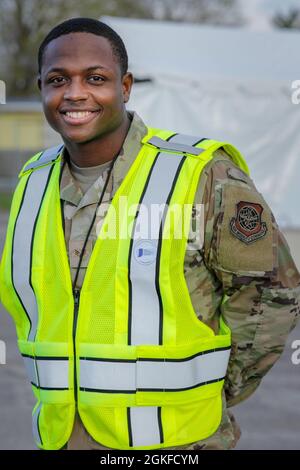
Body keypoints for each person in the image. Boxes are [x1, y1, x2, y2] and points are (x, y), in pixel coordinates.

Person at [0, 17, 299, 451]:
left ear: (125, 87)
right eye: (58, 79)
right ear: (42, 86)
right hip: (62, 436)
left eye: (95, 78)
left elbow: (274, 294)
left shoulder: (200, 174)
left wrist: (215, 389)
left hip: (175, 443)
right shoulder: (32, 181)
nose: (75, 93)